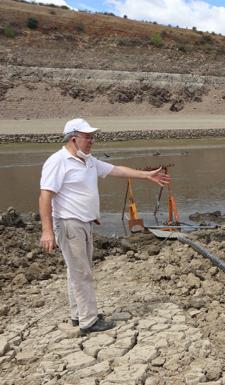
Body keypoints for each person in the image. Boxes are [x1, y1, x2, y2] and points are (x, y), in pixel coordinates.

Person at [39, 118, 171, 336]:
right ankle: (89, 321)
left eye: (92, 136)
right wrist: (47, 231)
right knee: (82, 273)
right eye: (87, 136)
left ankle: (79, 315)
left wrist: (146, 175)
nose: (92, 140)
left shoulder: (88, 161)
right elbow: (45, 196)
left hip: (84, 223)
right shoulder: (58, 161)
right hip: (69, 223)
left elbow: (115, 170)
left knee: (77, 271)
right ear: (74, 138)